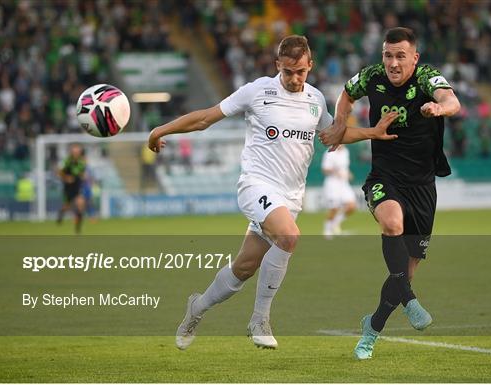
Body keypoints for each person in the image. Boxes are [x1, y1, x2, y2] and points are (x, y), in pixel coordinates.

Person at [148, 35, 398, 350]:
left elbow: (334, 133)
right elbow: (205, 118)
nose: (295, 79)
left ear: (310, 66)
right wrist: (160, 129)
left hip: (290, 198)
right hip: (256, 185)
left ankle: (197, 307)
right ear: (277, 64)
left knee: (243, 269)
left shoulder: (315, 99)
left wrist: (372, 133)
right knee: (290, 236)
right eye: (288, 72)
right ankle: (259, 319)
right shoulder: (256, 91)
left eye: (301, 72)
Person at [319, 27, 461, 359]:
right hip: (385, 176)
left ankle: (372, 327)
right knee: (392, 222)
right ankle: (411, 299)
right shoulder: (371, 77)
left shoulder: (427, 77)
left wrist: (439, 109)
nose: (393, 63)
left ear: (415, 58)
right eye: (387, 55)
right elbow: (346, 93)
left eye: (400, 56)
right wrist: (340, 120)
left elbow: (450, 99)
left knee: (403, 274)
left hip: (423, 186)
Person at [321, 144, 357, 239]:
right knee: (334, 208)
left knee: (351, 206)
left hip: (344, 183)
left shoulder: (346, 152)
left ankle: (335, 224)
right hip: (333, 183)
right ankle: (327, 230)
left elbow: (344, 167)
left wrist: (348, 173)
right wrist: (337, 172)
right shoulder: (330, 153)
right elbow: (325, 169)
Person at [56, 144, 87, 234]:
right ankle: (61, 214)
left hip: (77, 187)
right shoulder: (67, 161)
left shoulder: (82, 162)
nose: (76, 153)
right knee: (66, 206)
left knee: (80, 204)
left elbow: (81, 173)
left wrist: (83, 176)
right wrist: (66, 178)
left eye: (78, 152)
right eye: (75, 152)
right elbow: (59, 172)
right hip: (68, 188)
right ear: (72, 152)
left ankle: (78, 229)